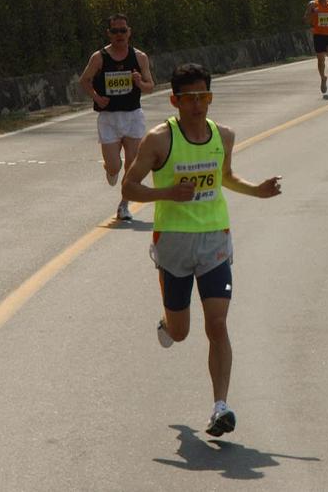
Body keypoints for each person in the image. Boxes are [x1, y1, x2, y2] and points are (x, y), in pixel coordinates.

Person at [122, 63, 282, 437]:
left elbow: (225, 177)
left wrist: (256, 191)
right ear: (175, 100)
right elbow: (129, 187)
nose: (198, 105)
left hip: (214, 239)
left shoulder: (223, 135)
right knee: (180, 332)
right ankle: (168, 322)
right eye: (190, 98)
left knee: (218, 323)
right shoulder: (159, 140)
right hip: (174, 242)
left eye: (204, 96)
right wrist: (167, 193)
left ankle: (220, 407)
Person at [79, 13, 156, 221]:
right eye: (115, 31)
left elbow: (150, 86)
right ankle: (110, 169)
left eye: (123, 30)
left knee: (132, 165)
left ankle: (124, 205)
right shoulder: (99, 58)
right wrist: (97, 97)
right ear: (109, 33)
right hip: (109, 118)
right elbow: (84, 80)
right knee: (115, 166)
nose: (119, 35)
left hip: (133, 116)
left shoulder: (139, 57)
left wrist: (139, 83)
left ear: (129, 32)